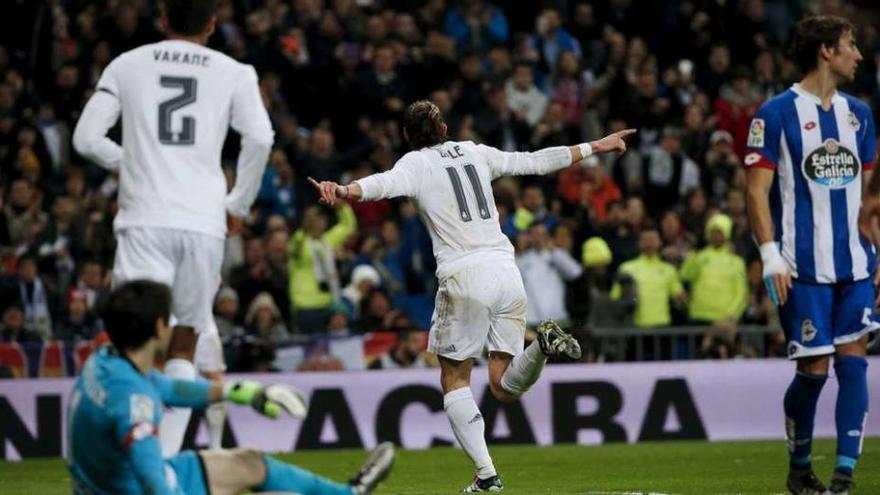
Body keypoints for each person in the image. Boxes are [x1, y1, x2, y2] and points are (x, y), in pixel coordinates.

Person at [309, 100, 634, 492]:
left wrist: (341, 189)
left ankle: (487, 475)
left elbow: (377, 186)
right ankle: (542, 347)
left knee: (454, 378)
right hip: (506, 271)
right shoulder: (475, 152)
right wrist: (594, 147)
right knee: (501, 385)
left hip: (464, 275)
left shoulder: (415, 164)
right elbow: (534, 161)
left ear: (407, 138)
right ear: (444, 130)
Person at [72, 0, 274, 456]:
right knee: (186, 337)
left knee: (132, 341)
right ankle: (162, 462)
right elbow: (261, 139)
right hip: (204, 222)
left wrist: (130, 161)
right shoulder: (235, 71)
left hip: (145, 218)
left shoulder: (127, 64)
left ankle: (122, 450)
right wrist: (237, 203)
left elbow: (85, 139)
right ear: (213, 24)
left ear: (163, 21)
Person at [67, 280, 394, 495]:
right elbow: (152, 480)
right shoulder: (134, 403)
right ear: (158, 327)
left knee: (250, 463)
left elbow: (167, 389)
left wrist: (243, 392)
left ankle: (349, 493)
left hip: (109, 481)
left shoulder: (105, 361)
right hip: (133, 488)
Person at [745, 16, 877, 495]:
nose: (858, 55)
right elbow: (756, 191)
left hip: (857, 266)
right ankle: (800, 467)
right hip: (801, 268)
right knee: (813, 371)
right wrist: (770, 255)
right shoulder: (774, 114)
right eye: (850, 44)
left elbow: (870, 199)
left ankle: (844, 476)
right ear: (826, 51)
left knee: (854, 360)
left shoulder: (859, 115)